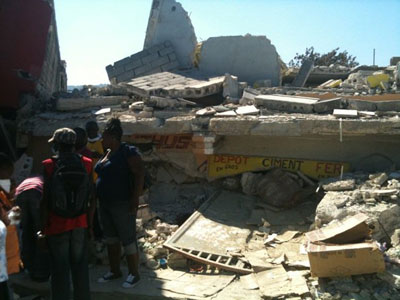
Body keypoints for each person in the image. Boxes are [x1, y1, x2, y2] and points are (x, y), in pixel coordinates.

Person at [40, 128, 94, 300]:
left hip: (56, 224)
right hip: (80, 223)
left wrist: (42, 229)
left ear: (57, 145)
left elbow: (45, 200)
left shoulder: (48, 165)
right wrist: (90, 225)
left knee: (59, 269)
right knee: (80, 267)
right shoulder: (86, 163)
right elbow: (92, 197)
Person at [95, 118, 144, 288]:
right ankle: (114, 271)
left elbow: (139, 175)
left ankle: (134, 274)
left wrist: (135, 199)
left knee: (128, 239)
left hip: (122, 203)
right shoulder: (107, 153)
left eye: (105, 136)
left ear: (114, 137)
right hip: (105, 203)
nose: (102, 139)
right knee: (111, 239)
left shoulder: (127, 152)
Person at [15, 176, 50, 281]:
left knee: (25, 230)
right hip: (36, 193)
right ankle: (40, 270)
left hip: (20, 194)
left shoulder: (27, 181)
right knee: (40, 232)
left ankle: (27, 266)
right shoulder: (44, 180)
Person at [0, 153, 21, 276]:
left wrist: (10, 195)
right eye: (8, 173)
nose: (10, 177)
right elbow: (7, 222)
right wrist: (16, 210)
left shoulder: (4, 194)